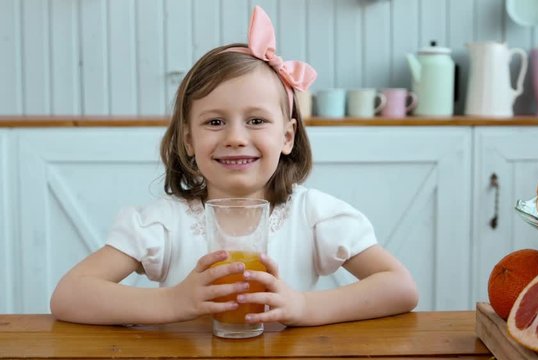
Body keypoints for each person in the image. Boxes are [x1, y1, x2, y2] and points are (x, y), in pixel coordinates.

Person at [50, 6, 418, 326]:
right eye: (214, 122)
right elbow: (70, 295)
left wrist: (304, 305)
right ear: (188, 140)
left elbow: (400, 287)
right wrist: (174, 302)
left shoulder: (315, 216)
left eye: (256, 121)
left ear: (287, 137)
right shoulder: (161, 225)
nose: (236, 137)